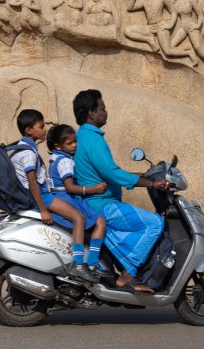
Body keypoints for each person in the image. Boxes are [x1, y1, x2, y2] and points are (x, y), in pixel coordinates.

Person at [72, 90, 168, 293]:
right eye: (102, 109)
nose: (106, 112)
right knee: (155, 223)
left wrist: (144, 175)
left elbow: (107, 171)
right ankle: (128, 275)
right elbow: (111, 173)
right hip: (103, 205)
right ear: (91, 113)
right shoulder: (92, 139)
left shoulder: (85, 136)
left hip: (96, 204)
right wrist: (151, 184)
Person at [10, 109, 100, 284]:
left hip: (42, 195)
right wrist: (43, 210)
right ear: (29, 130)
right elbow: (33, 183)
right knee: (79, 218)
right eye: (41, 126)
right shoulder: (28, 152)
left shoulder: (22, 148)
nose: (44, 130)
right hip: (42, 196)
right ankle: (78, 264)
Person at [47, 124, 108, 275]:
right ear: (58, 146)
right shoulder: (65, 161)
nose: (74, 145)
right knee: (99, 222)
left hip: (60, 197)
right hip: (68, 198)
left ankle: (87, 261)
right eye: (69, 143)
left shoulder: (54, 158)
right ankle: (86, 262)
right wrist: (95, 189)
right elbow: (70, 187)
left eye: (75, 141)